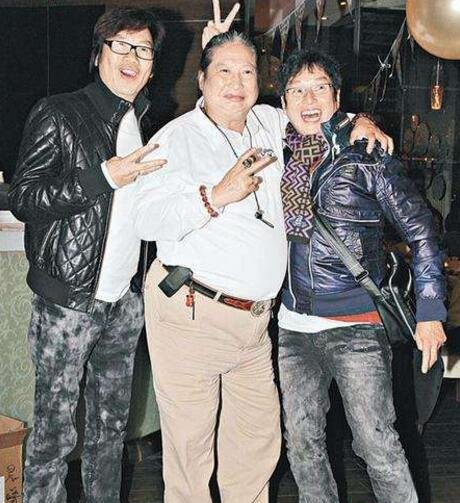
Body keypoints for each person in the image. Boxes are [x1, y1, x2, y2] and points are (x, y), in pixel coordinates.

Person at [133, 10, 391, 497]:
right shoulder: (175, 138)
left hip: (254, 325)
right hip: (192, 313)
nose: (236, 82)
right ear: (202, 80)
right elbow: (144, 219)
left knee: (258, 445)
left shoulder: (270, 122)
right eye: (224, 71)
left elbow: (317, 111)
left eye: (247, 71)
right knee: (191, 452)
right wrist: (215, 196)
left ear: (260, 81)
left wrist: (363, 122)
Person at [8, 8, 166, 503]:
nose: (132, 57)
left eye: (144, 49)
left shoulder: (147, 124)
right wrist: (103, 176)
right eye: (121, 45)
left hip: (124, 304)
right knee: (54, 438)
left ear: (153, 67)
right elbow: (25, 198)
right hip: (67, 304)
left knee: (109, 436)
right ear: (98, 53)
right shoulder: (59, 112)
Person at [276, 48, 447, 503]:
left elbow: (421, 231)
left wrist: (431, 312)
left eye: (319, 88)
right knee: (303, 447)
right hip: (293, 327)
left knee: (377, 445)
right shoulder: (277, 152)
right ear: (284, 101)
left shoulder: (366, 155)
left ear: (336, 98)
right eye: (296, 90)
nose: (308, 100)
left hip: (356, 326)